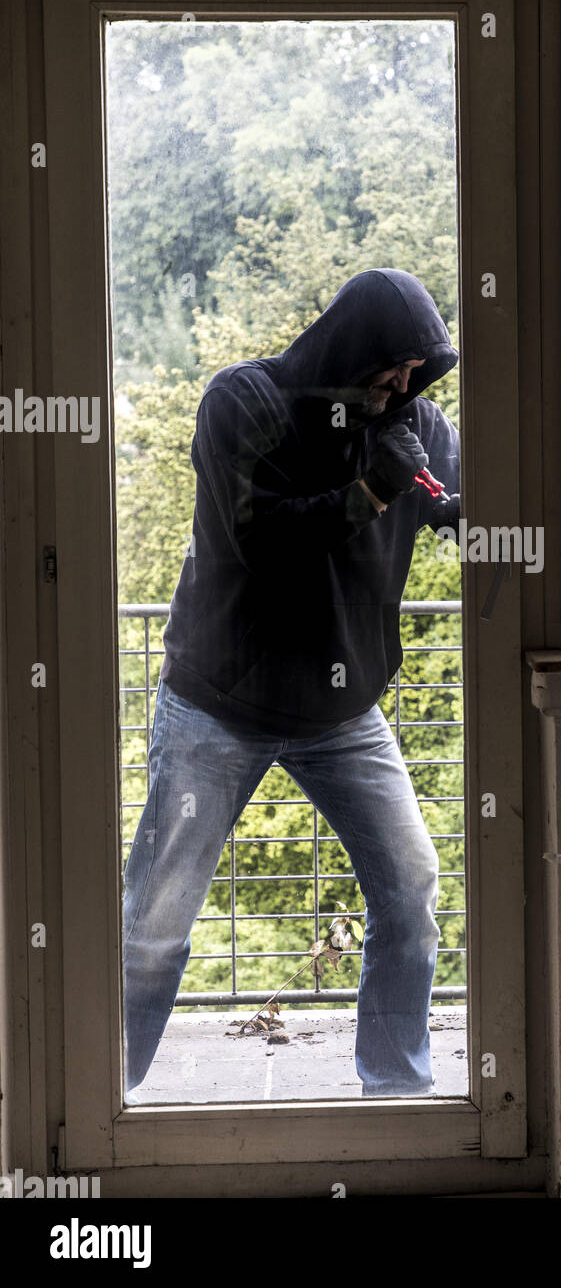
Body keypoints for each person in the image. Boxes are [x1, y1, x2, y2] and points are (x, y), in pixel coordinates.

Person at [121, 268, 461, 1099]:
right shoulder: (245, 402)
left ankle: (396, 1093)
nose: (404, 384)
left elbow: (458, 503)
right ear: (355, 346)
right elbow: (255, 545)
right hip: (217, 705)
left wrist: (463, 512)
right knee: (154, 930)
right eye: (394, 366)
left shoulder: (418, 425)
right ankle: (101, 1101)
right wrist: (369, 493)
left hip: (341, 713)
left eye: (419, 372)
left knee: (411, 892)